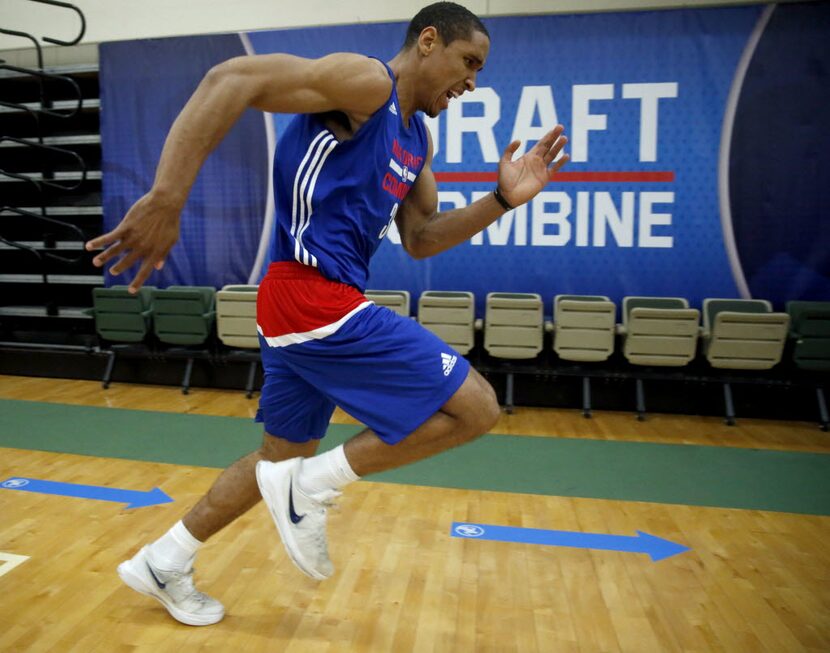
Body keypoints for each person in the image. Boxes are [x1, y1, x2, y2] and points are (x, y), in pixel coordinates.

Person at [86, 1, 568, 626]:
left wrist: (502, 199)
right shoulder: (367, 84)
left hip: (302, 308)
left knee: (278, 462)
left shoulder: (416, 138)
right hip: (311, 293)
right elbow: (231, 80)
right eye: (468, 62)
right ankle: (314, 486)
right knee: (475, 408)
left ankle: (165, 559)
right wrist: (168, 196)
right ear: (429, 41)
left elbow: (421, 238)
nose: (472, 81)